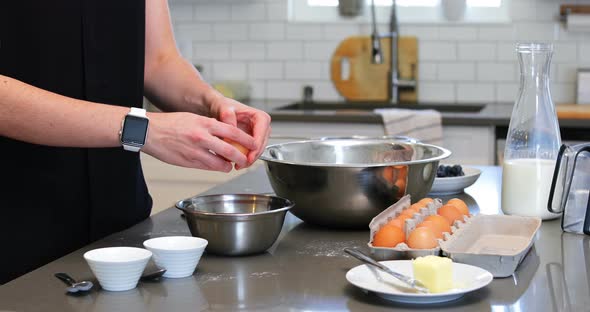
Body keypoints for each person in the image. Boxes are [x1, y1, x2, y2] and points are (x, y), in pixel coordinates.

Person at [0, 1, 271, 284]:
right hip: (14, 229)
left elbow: (158, 61)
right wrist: (139, 129)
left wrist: (213, 103)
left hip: (121, 229)